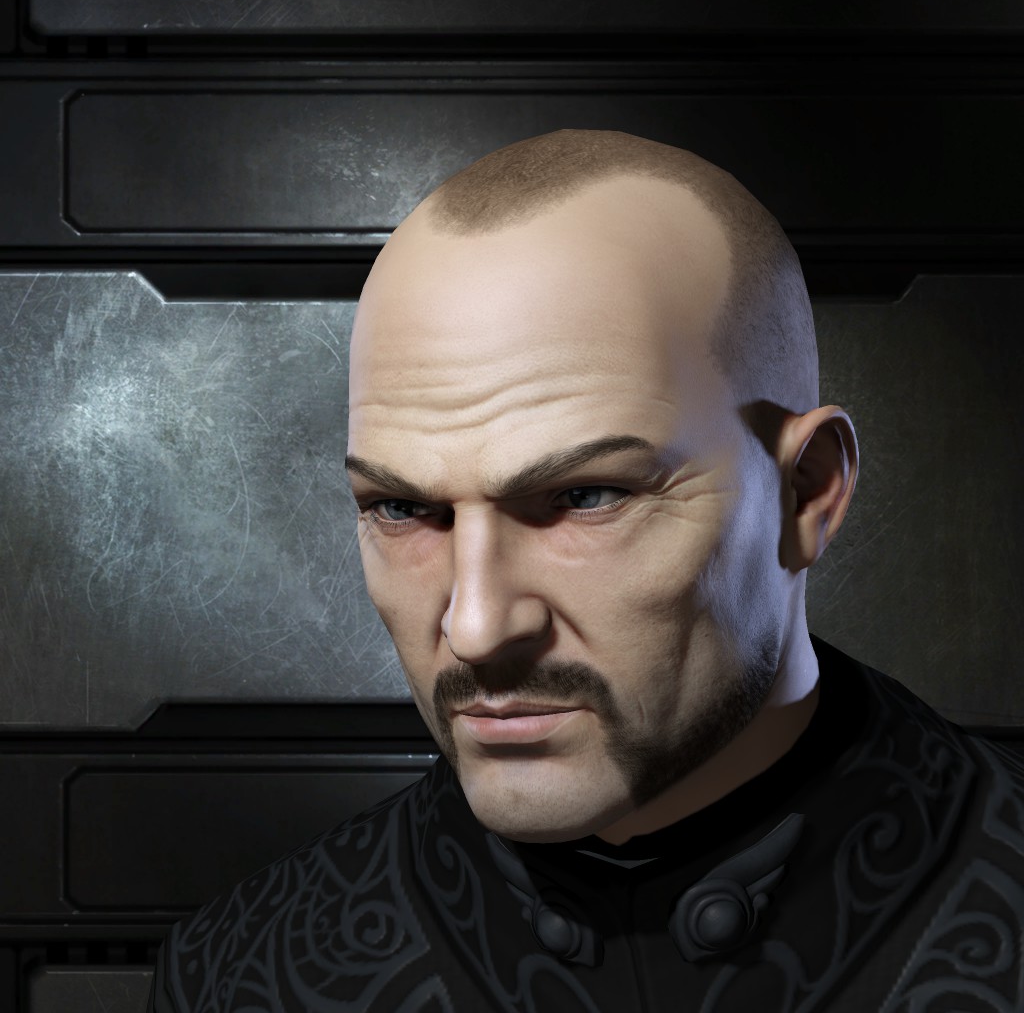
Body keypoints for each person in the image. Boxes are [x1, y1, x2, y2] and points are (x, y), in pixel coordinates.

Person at [148, 130, 1024, 1012]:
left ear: (806, 492)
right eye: (405, 509)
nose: (477, 627)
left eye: (584, 497)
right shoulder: (242, 974)